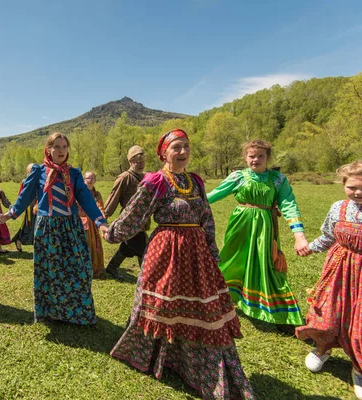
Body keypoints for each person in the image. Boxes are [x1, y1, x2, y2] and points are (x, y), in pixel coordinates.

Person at [104, 129, 254, 399]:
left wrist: (211, 249)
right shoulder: (156, 181)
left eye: (186, 146)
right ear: (164, 152)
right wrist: (111, 232)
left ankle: (194, 364)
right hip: (165, 252)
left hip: (196, 254)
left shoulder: (195, 181)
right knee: (162, 305)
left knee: (200, 310)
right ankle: (154, 355)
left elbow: (206, 216)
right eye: (176, 147)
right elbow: (135, 215)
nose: (182, 152)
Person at [0, 132, 109, 325]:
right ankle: (51, 312)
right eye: (56, 147)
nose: (61, 151)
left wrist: (100, 222)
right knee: (50, 272)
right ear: (48, 149)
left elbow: (86, 199)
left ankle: (77, 312)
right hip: (47, 228)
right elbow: (25, 197)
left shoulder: (74, 174)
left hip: (71, 227)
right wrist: (10, 214)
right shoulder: (38, 171)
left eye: (64, 147)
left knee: (78, 269)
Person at [207, 139, 308, 331]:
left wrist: (299, 235)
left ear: (267, 158)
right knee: (233, 261)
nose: (255, 159)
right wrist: (188, 203)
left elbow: (289, 204)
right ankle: (221, 297)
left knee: (268, 266)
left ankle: (282, 314)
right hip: (240, 226)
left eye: (260, 156)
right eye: (251, 156)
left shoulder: (278, 179)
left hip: (265, 229)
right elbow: (214, 195)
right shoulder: (238, 177)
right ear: (245, 157)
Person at [295, 161, 362, 399]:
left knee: (360, 321)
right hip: (338, 271)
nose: (358, 192)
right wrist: (308, 248)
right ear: (344, 184)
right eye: (352, 187)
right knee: (329, 312)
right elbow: (327, 237)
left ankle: (358, 367)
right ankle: (322, 348)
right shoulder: (338, 208)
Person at [103, 145, 147, 280]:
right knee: (143, 247)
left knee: (129, 246)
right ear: (130, 162)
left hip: (142, 219)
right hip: (129, 219)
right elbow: (114, 197)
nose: (140, 164)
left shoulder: (146, 176)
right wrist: (105, 216)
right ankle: (146, 275)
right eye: (137, 161)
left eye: (142, 161)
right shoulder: (124, 177)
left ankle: (112, 267)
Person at [79, 171, 105, 277]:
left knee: (94, 245)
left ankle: (94, 268)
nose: (90, 180)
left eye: (92, 178)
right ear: (84, 180)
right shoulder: (79, 193)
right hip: (82, 223)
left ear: (95, 180)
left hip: (93, 222)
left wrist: (102, 218)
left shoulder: (96, 194)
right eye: (88, 178)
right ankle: (82, 268)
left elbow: (100, 207)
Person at [11, 163, 37, 252]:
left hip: (39, 206)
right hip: (29, 207)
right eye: (31, 170)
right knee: (29, 226)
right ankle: (19, 240)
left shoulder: (40, 180)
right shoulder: (25, 181)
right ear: (28, 172)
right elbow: (20, 196)